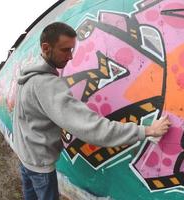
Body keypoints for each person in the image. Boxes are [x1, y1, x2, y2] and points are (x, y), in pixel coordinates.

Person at [13, 22, 171, 200]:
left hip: (25, 158)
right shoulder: (46, 84)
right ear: (46, 47)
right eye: (65, 50)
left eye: (72, 49)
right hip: (40, 167)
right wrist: (147, 130)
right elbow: (93, 127)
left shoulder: (28, 75)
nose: (70, 57)